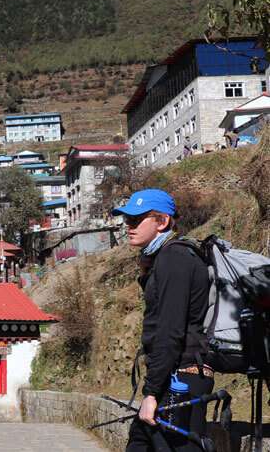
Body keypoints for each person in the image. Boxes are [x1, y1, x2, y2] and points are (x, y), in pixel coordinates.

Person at [113, 189, 212, 452]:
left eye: (137, 220)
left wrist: (152, 393)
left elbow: (169, 331)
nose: (128, 226)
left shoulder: (174, 259)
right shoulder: (163, 259)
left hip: (182, 379)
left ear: (162, 222)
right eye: (127, 220)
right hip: (175, 376)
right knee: (139, 441)